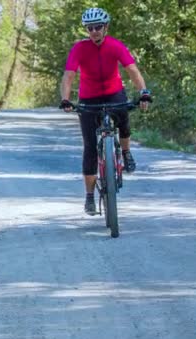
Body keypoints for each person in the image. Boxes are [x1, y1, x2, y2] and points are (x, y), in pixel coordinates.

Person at [59, 7, 152, 215]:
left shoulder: (116, 46)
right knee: (90, 148)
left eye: (98, 27)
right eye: (90, 28)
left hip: (113, 93)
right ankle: (90, 197)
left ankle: (126, 153)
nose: (94, 31)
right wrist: (65, 99)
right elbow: (69, 76)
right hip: (89, 97)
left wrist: (143, 93)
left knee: (124, 121)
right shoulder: (80, 48)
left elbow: (133, 71)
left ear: (106, 27)